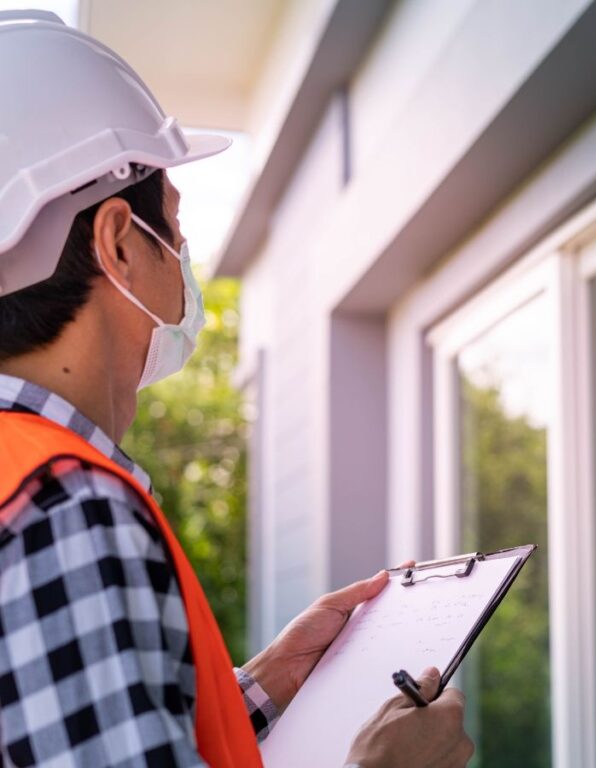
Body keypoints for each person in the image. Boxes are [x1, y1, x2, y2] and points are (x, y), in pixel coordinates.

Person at [0, 10, 473, 768]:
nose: (183, 258)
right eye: (174, 231)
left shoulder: (19, 482)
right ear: (119, 243)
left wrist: (262, 685)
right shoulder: (64, 507)